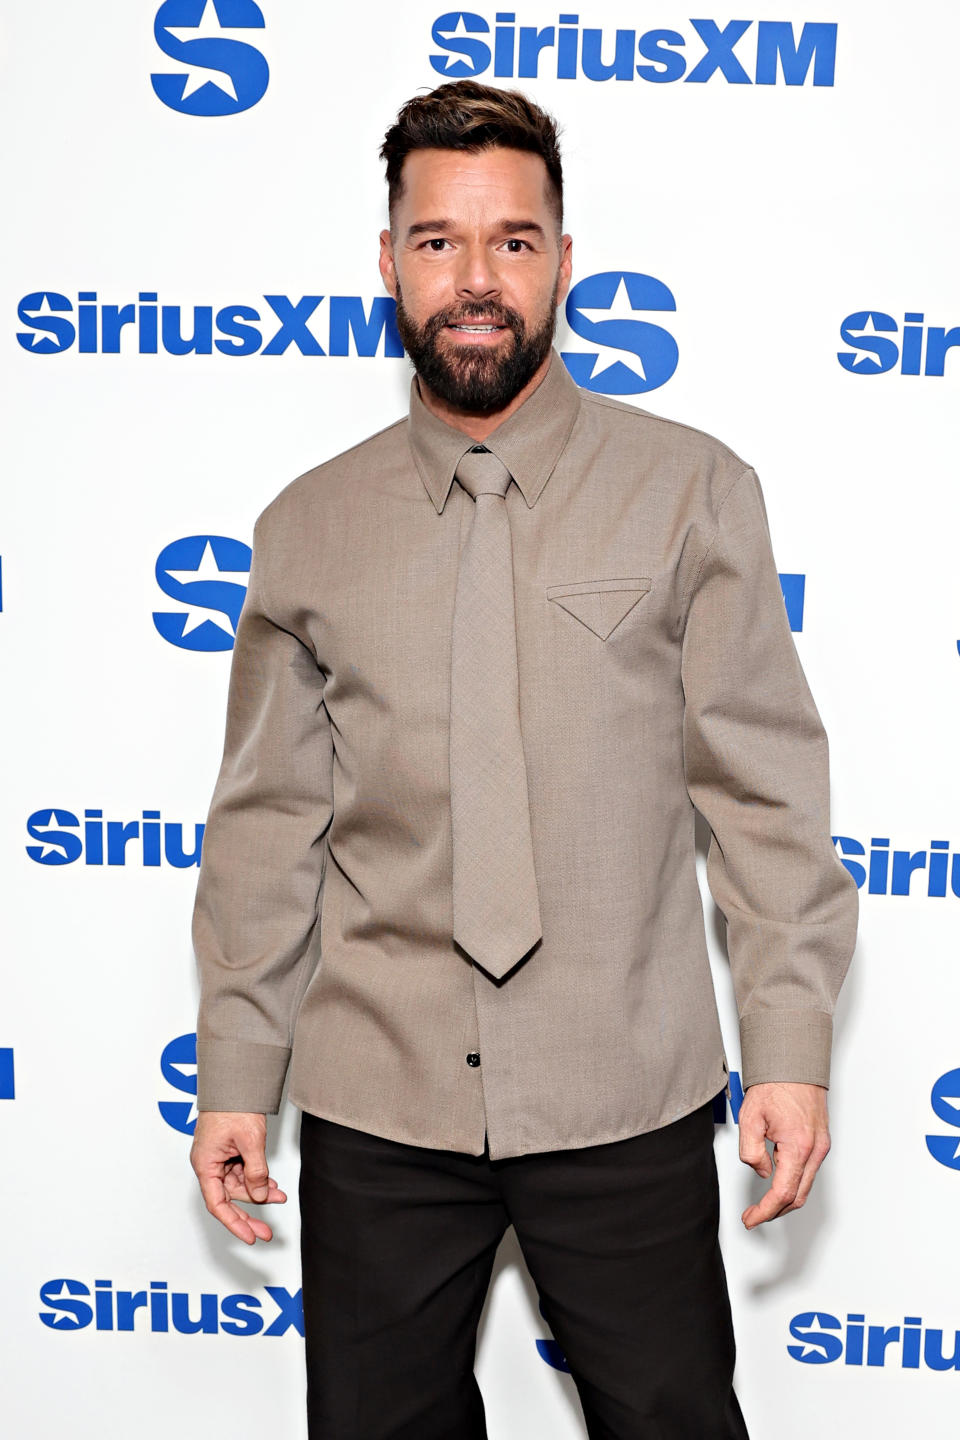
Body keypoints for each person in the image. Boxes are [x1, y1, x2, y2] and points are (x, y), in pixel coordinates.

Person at [189, 79, 858, 1439]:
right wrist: (236, 1074)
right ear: (388, 262)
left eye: (511, 240)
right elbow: (268, 829)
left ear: (563, 258)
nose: (474, 279)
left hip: (624, 1091)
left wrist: (788, 1048)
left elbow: (764, 796)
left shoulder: (692, 490)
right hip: (381, 1106)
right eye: (437, 242)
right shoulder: (307, 529)